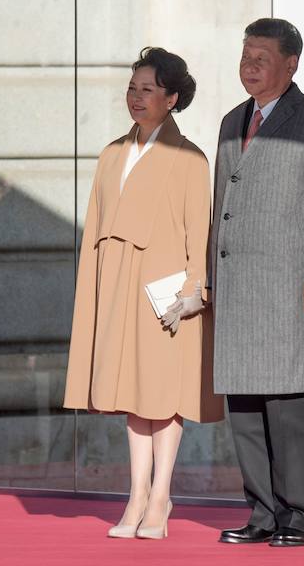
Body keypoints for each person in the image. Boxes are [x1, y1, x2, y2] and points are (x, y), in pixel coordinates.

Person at [63, 47, 223, 540]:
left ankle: (159, 498)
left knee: (162, 394)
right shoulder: (111, 153)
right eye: (132, 87)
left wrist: (198, 291)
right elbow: (94, 228)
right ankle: (135, 494)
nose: (135, 97)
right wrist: (91, 291)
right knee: (131, 393)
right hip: (116, 284)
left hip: (166, 290)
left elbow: (201, 231)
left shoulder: (190, 157)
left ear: (172, 98)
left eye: (147, 89)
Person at [210, 18, 304, 548]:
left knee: (291, 410)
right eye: (245, 54)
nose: (249, 65)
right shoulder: (229, 121)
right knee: (245, 411)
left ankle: (298, 517)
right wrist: (210, 279)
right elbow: (220, 207)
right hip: (238, 288)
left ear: (291, 64)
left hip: (289, 287)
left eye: (261, 57)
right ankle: (263, 512)